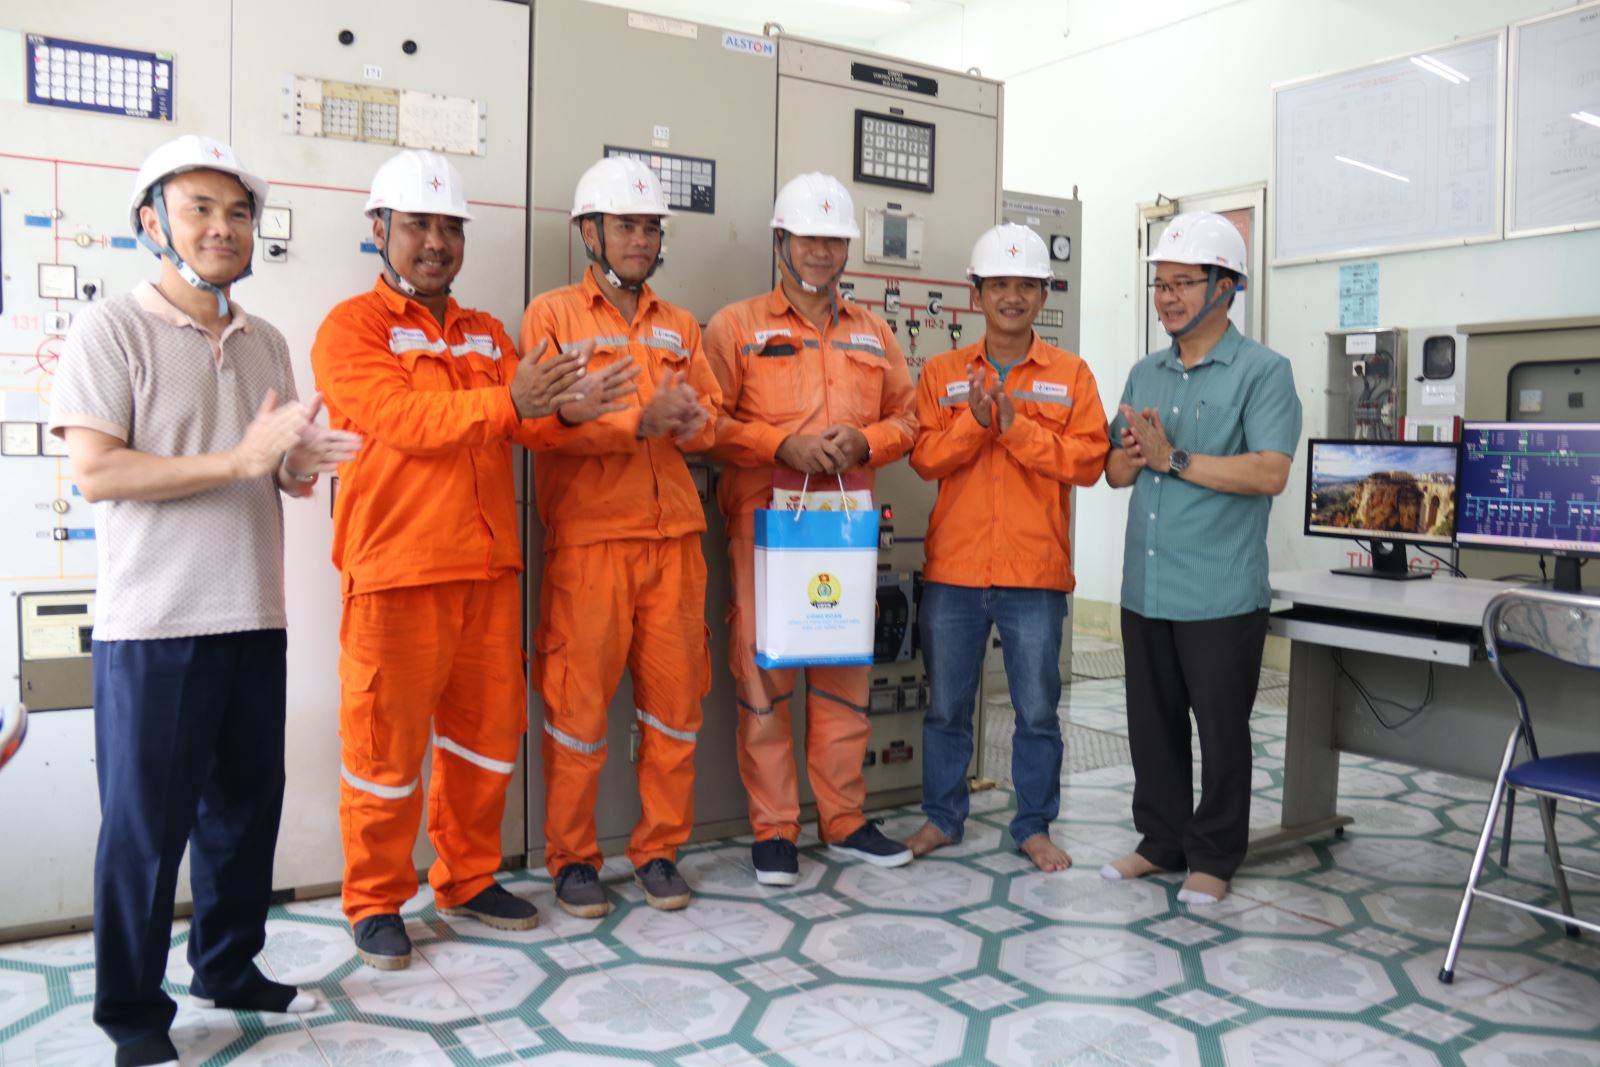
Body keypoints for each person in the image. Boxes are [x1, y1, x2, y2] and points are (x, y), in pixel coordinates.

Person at [50, 134, 360, 1067]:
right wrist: (239, 460)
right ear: (153, 222)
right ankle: (133, 1014)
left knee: (244, 814)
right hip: (155, 626)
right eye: (199, 209)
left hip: (255, 614)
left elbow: (274, 472)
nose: (222, 227)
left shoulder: (267, 341)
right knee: (145, 833)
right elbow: (98, 471)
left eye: (237, 213)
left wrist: (299, 466)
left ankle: (227, 966)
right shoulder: (112, 329)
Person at [310, 149, 636, 968]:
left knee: (486, 740)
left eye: (449, 227)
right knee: (384, 751)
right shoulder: (352, 328)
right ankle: (375, 898)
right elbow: (398, 418)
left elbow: (528, 424)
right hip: (397, 572)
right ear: (379, 229)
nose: (435, 242)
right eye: (418, 225)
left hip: (488, 574)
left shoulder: (488, 333)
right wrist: (511, 401)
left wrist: (569, 411)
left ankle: (467, 877)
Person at [704, 172, 917, 886]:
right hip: (767, 528)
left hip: (845, 528)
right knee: (764, 675)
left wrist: (866, 441)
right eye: (808, 238)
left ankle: (845, 820)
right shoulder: (735, 328)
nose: (822, 252)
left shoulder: (874, 333)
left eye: (834, 240)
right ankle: (774, 829)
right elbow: (707, 425)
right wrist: (780, 446)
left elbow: (910, 419)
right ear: (781, 242)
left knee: (843, 675)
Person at [521, 156, 719, 918]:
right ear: (589, 232)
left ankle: (659, 849)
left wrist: (693, 421)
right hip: (593, 542)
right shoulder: (552, 317)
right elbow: (541, 426)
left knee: (676, 709)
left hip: (676, 542)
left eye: (650, 227)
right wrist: (633, 421)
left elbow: (709, 414)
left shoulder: (681, 325)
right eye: (626, 225)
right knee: (577, 711)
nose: (640, 239)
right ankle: (573, 858)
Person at [1102, 211, 1301, 906]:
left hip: (1219, 591)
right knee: (1152, 724)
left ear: (1226, 287)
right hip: (1147, 584)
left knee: (1220, 733)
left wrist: (1174, 459)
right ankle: (1161, 841)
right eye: (1161, 284)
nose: (1168, 297)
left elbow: (1270, 471)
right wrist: (1135, 456)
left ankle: (1214, 854)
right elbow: (1114, 473)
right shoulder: (1144, 372)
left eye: (1183, 282)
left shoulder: (1264, 372)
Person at [905, 223, 1109, 872]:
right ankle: (942, 817)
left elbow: (1088, 462)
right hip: (955, 570)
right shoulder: (942, 373)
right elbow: (924, 458)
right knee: (946, 708)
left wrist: (1015, 428)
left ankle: (1033, 825)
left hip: (1034, 573)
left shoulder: (1071, 375)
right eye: (998, 285)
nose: (1012, 296)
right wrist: (974, 424)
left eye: (1026, 285)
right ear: (977, 294)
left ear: (1043, 294)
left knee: (1038, 711)